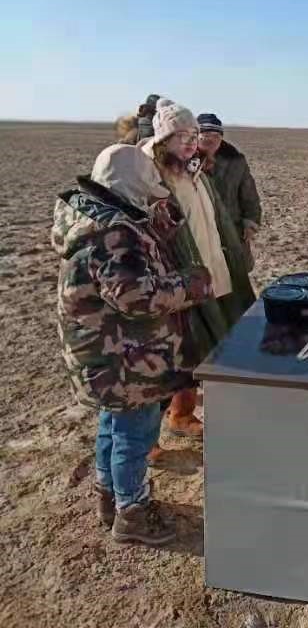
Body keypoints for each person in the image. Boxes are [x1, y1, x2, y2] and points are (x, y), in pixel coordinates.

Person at [51, 144, 213, 546]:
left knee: (114, 425)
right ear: (134, 181)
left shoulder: (92, 218)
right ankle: (133, 512)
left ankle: (109, 495)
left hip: (103, 353)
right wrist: (189, 284)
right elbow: (138, 298)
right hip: (125, 359)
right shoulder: (114, 233)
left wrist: (159, 235)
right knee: (135, 434)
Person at [141, 99, 255, 441]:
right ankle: (145, 440)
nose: (191, 142)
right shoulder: (152, 177)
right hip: (176, 280)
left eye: (194, 135)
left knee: (197, 349)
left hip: (209, 270)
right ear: (164, 140)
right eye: (183, 136)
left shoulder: (194, 172)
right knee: (171, 358)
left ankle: (182, 415)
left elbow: (215, 221)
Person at [197, 113, 262, 272]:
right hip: (199, 231)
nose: (211, 140)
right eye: (205, 135)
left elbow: (249, 195)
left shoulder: (235, 161)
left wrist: (250, 221)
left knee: (235, 273)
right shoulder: (183, 162)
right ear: (196, 136)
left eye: (216, 136)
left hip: (232, 229)